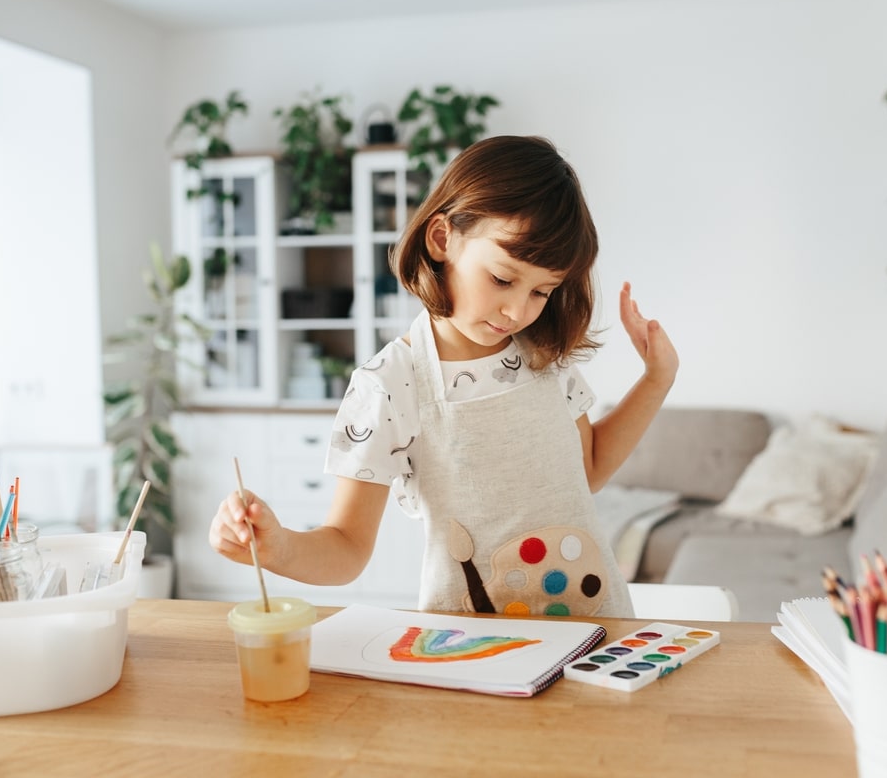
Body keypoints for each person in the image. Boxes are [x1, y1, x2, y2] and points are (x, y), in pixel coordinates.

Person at [209, 135, 677, 617]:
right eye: (502, 278)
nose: (518, 310)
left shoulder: (544, 354)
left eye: (542, 292)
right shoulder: (389, 384)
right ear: (441, 239)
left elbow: (590, 469)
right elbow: (347, 547)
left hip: (593, 631)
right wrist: (278, 548)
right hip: (473, 648)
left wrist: (657, 377)